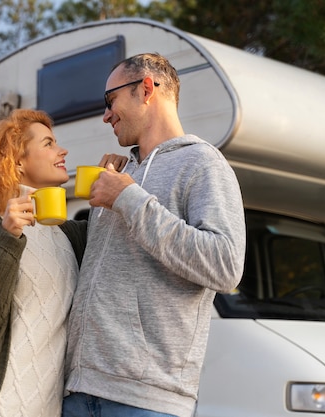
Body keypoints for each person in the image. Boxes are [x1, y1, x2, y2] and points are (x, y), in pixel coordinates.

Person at [62, 53, 246, 417]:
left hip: (146, 401)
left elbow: (226, 265)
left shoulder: (202, 163)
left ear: (146, 89)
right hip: (80, 390)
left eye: (110, 100)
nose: (106, 114)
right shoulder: (121, 173)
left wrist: (129, 199)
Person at [0, 108, 126, 417]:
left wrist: (108, 194)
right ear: (18, 160)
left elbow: (115, 248)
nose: (63, 151)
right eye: (48, 143)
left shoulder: (66, 234)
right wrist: (7, 235)